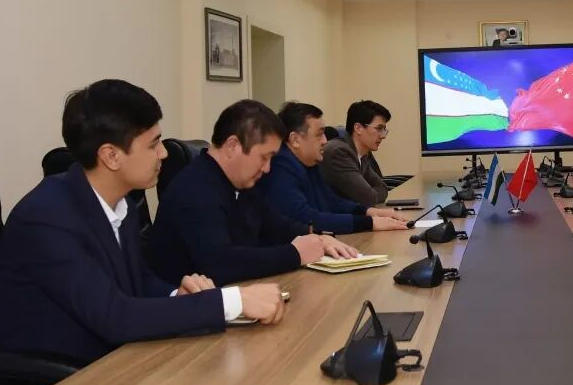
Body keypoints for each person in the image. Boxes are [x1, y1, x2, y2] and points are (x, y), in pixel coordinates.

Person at [0, 81, 284, 365]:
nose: (164, 153)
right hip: (55, 381)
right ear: (111, 156)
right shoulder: (46, 218)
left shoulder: (123, 203)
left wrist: (177, 295)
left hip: (114, 360)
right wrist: (232, 302)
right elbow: (115, 317)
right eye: (153, 144)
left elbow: (138, 280)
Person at [149, 100, 359, 286]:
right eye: (264, 157)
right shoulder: (195, 189)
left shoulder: (240, 183)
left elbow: (273, 224)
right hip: (189, 312)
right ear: (233, 146)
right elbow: (220, 263)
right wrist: (295, 254)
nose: (267, 168)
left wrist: (315, 237)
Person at [256, 102, 408, 234]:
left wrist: (369, 212)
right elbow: (307, 218)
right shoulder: (279, 167)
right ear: (295, 140)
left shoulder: (309, 162)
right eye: (319, 135)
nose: (325, 141)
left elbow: (332, 201)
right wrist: (369, 223)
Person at [321, 100, 392, 207]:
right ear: (358, 128)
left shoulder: (361, 154)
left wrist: (371, 195)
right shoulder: (339, 153)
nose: (383, 136)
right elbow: (368, 197)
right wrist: (370, 195)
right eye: (379, 128)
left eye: (384, 130)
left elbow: (382, 188)